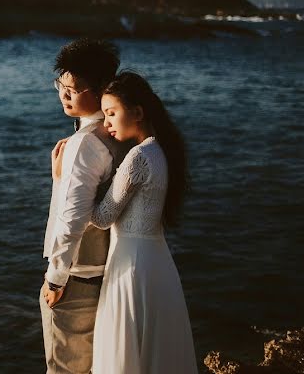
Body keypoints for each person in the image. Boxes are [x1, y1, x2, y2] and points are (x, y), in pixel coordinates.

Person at [89, 71, 197, 374]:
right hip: (158, 261)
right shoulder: (161, 151)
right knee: (156, 351)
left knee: (128, 349)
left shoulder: (138, 157)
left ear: (137, 112)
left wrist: (67, 180)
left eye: (111, 113)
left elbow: (101, 217)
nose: (106, 123)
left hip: (132, 266)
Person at [40, 38, 130, 374]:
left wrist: (55, 278)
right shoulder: (116, 133)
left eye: (73, 90)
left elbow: (73, 219)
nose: (63, 95)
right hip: (103, 273)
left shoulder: (84, 145)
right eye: (60, 85)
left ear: (101, 88)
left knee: (64, 370)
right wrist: (59, 179)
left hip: (75, 281)